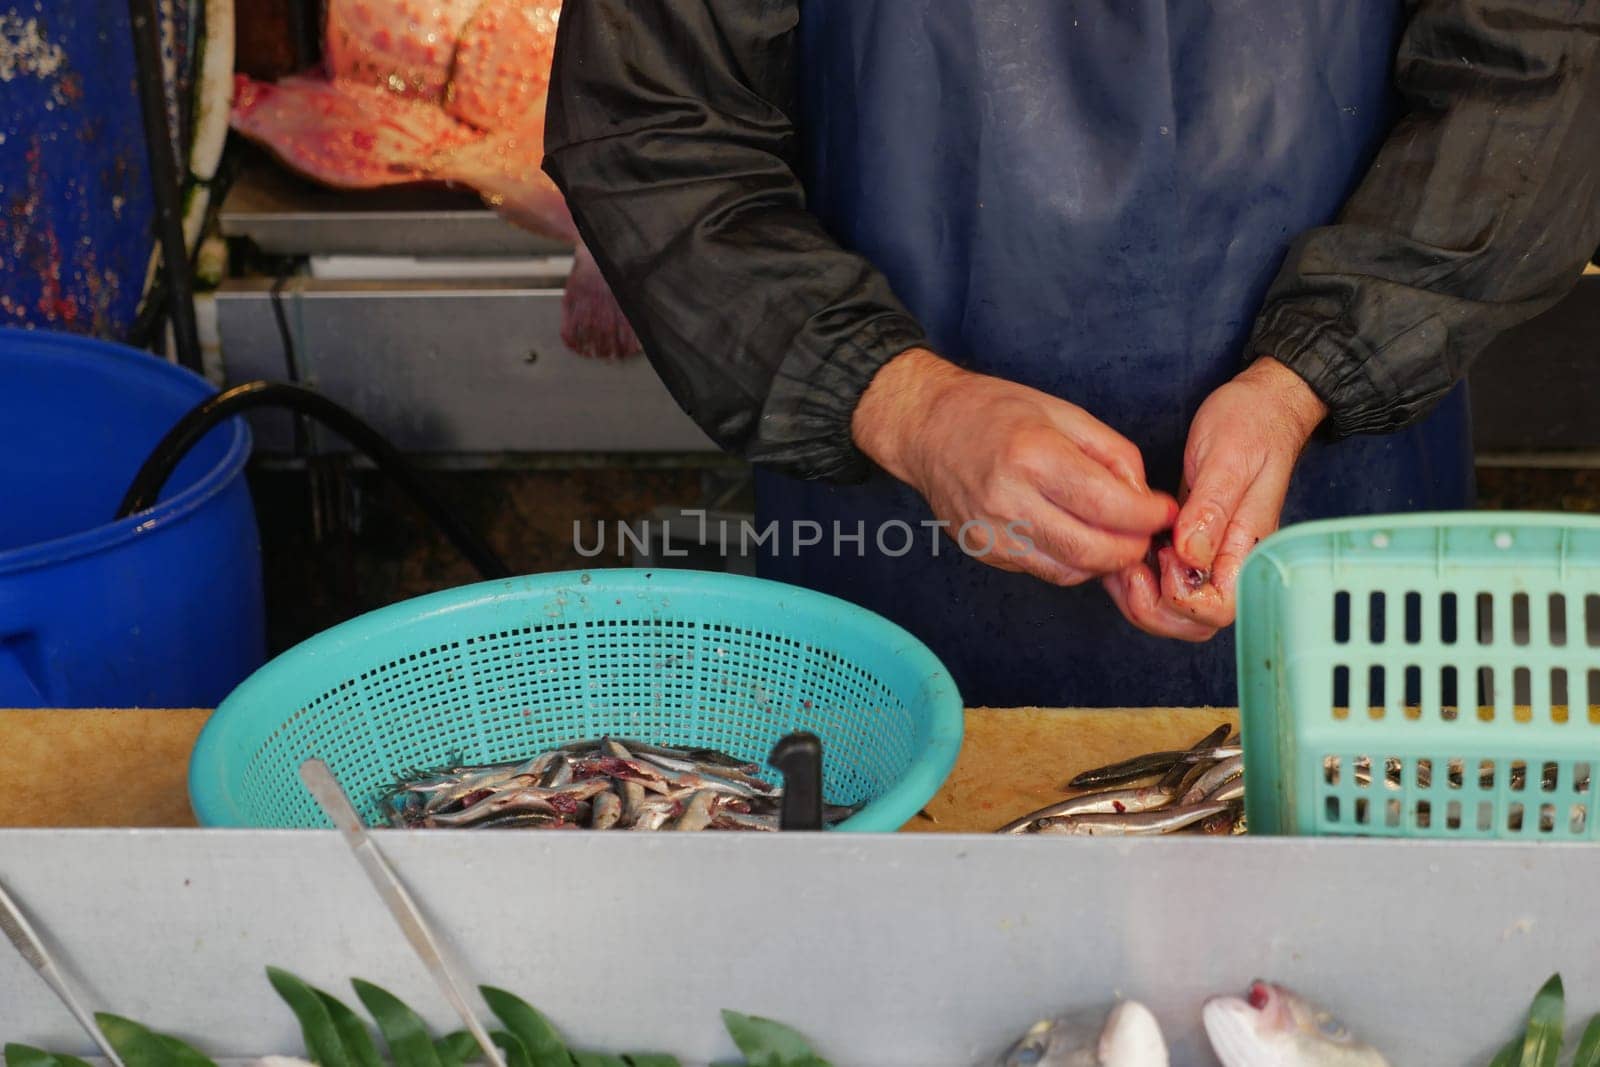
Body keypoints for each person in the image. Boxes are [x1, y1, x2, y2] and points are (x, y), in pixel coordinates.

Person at [543, 1, 1600, 708]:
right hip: (893, 534)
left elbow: (1539, 64)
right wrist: (910, 410)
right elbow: (653, 118)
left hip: (1338, 522)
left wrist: (1303, 380)